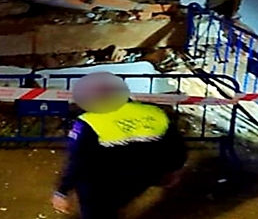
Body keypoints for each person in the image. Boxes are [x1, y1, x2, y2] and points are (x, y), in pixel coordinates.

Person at [53, 72, 187, 219]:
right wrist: (172, 170)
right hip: (142, 178)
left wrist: (62, 190)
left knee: (97, 209)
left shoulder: (89, 121)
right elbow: (177, 147)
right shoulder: (155, 113)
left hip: (102, 182)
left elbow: (78, 160)